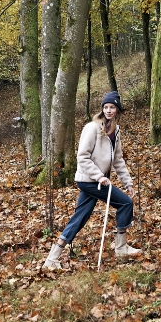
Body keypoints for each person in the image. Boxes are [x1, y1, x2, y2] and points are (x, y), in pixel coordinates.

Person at [42, 91, 141, 270]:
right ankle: (121, 248)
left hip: (96, 181)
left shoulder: (115, 130)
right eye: (106, 107)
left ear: (117, 110)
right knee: (125, 203)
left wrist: (128, 182)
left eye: (112, 107)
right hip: (89, 180)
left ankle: (52, 258)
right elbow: (82, 157)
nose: (109, 110)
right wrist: (99, 176)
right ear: (102, 110)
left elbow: (118, 159)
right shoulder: (92, 128)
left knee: (80, 216)